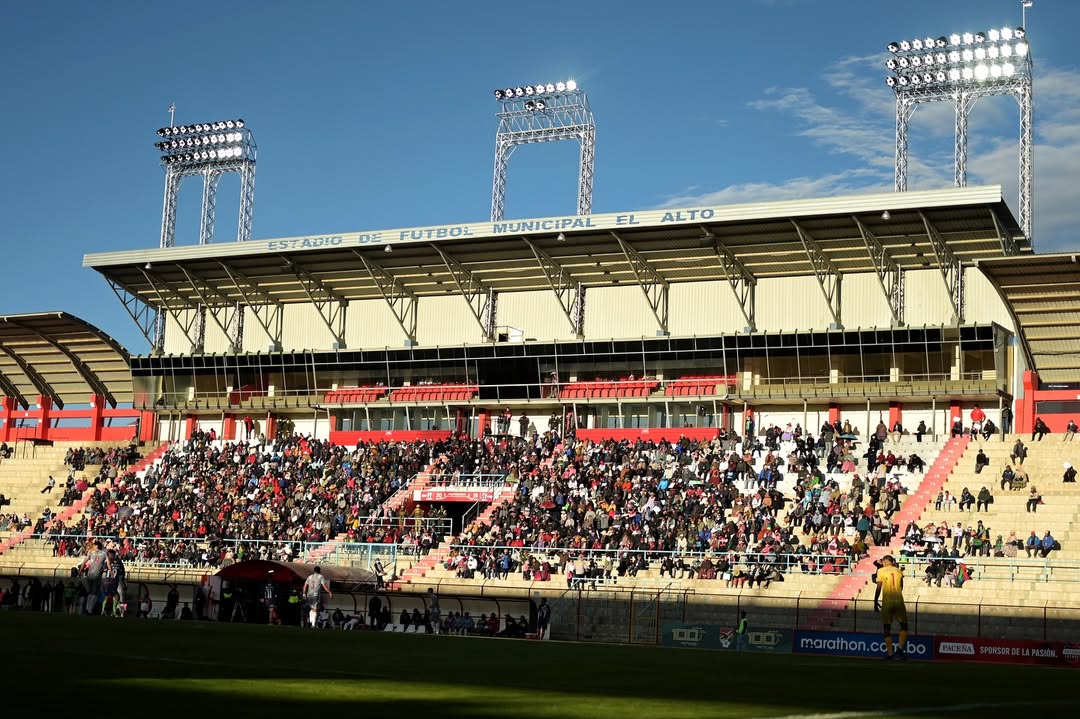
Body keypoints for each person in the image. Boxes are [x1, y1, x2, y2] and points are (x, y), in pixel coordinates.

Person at [873, 555, 909, 660]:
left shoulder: (881, 571)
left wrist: (875, 601)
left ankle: (890, 654)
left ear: (884, 562)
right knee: (904, 626)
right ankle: (900, 648)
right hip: (898, 601)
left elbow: (879, 587)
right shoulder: (898, 571)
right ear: (892, 562)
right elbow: (901, 586)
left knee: (886, 628)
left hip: (887, 602)